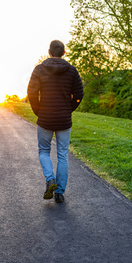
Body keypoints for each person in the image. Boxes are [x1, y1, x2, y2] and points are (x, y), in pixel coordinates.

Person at [27, 40, 84, 203]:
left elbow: (31, 93)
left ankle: (50, 179)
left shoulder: (39, 69)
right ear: (64, 53)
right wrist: (69, 109)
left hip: (45, 118)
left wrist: (38, 111)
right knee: (62, 154)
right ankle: (59, 192)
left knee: (44, 151)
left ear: (49, 51)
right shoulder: (72, 71)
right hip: (64, 120)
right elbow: (79, 95)